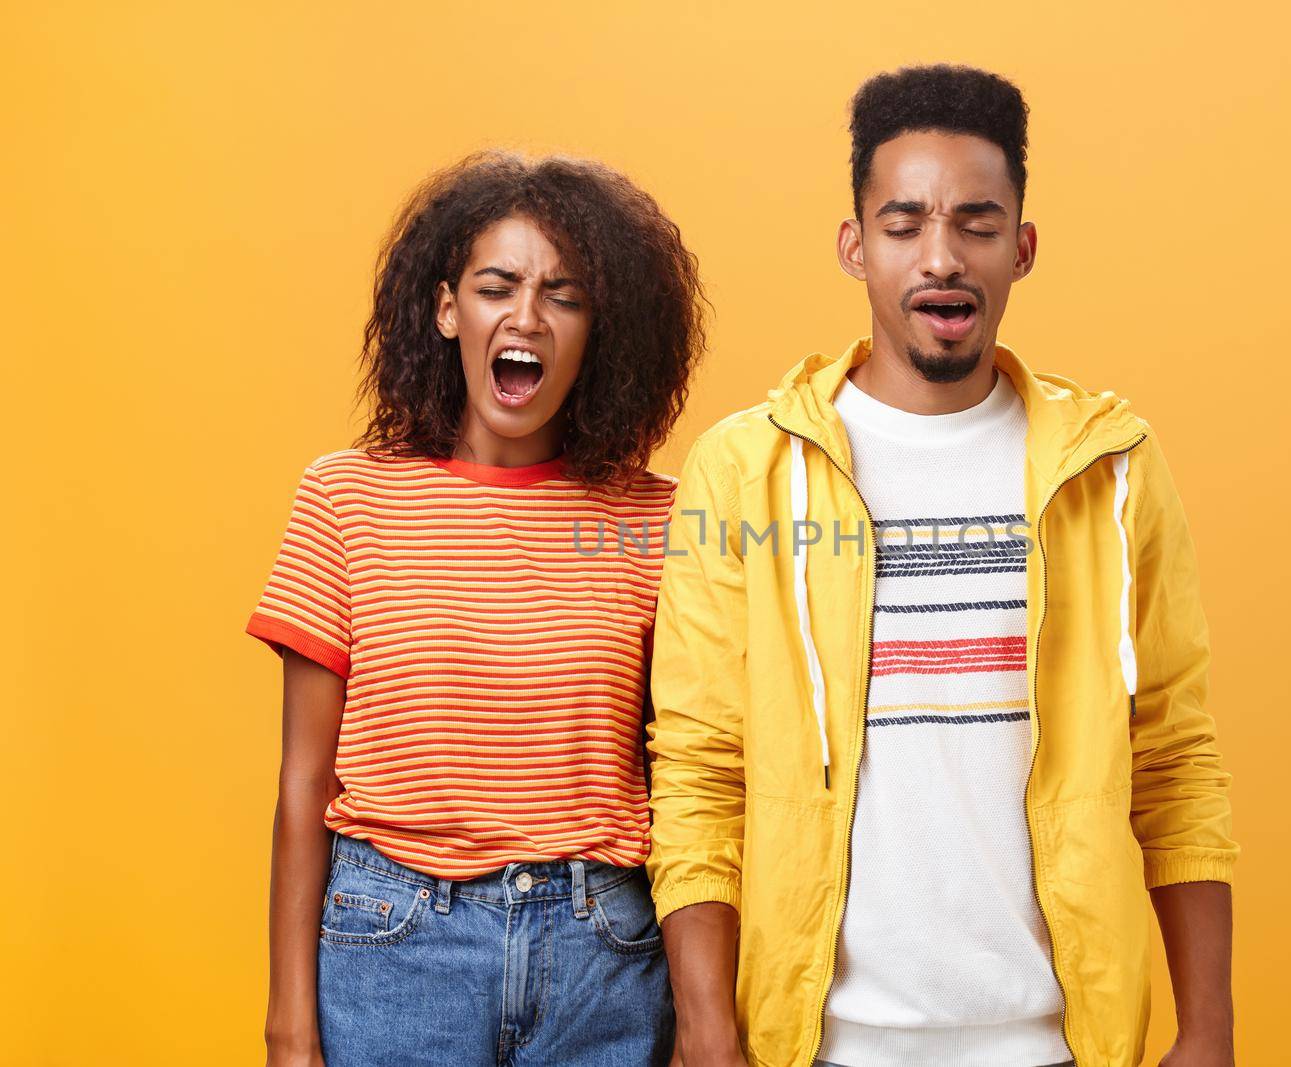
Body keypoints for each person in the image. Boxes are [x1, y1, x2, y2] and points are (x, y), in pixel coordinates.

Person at [647, 66, 1237, 1067]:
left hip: (1058, 1040)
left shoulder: (1112, 469)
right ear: (854, 247)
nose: (940, 257)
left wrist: (1209, 1027)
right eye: (903, 221)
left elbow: (1174, 759)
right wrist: (708, 1030)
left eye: (975, 221)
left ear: (1022, 246)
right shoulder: (745, 468)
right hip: (823, 1041)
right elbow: (700, 765)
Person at [249, 150, 704, 1067]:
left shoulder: (660, 517)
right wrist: (288, 1024)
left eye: (564, 296)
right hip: (394, 946)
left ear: (598, 329)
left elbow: (695, 781)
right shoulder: (346, 499)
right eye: (498, 286)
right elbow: (304, 784)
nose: (526, 317)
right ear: (449, 308)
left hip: (604, 955)